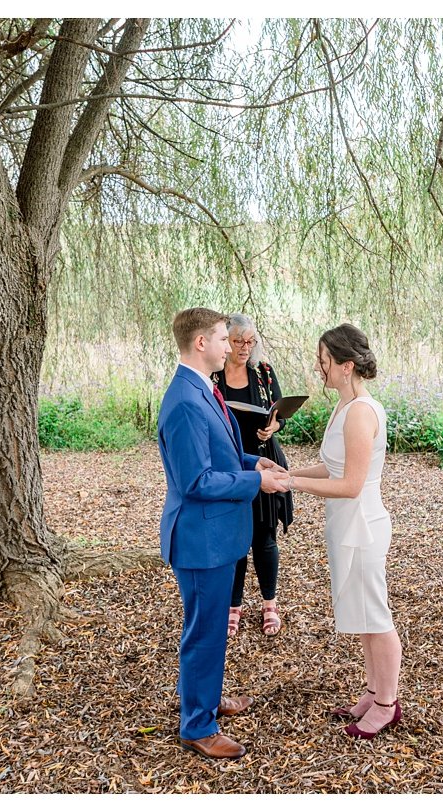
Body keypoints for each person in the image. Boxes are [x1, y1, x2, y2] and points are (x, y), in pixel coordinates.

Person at [156, 307, 289, 759]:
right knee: (205, 633)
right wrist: (258, 483)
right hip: (199, 540)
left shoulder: (203, 389)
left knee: (210, 629)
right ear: (200, 344)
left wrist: (255, 463)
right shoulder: (185, 401)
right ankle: (197, 726)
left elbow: (222, 455)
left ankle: (207, 701)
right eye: (220, 337)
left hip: (215, 536)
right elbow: (196, 482)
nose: (229, 345)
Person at [285, 323, 403, 739]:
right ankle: (373, 691)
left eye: (324, 361)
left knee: (376, 614)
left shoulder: (361, 413)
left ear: (347, 365)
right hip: (344, 522)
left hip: (364, 524)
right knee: (362, 614)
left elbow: (351, 485)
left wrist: (291, 485)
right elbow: (334, 469)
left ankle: (388, 704)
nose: (319, 369)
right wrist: (289, 471)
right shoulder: (343, 406)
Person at [211, 314, 293, 637]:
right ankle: (234, 606)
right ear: (226, 342)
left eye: (250, 342)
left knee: (264, 537)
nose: (245, 348)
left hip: (263, 460)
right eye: (238, 342)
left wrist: (275, 426)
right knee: (234, 539)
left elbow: (280, 413)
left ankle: (269, 604)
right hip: (230, 464)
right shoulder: (214, 376)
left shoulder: (263, 374)